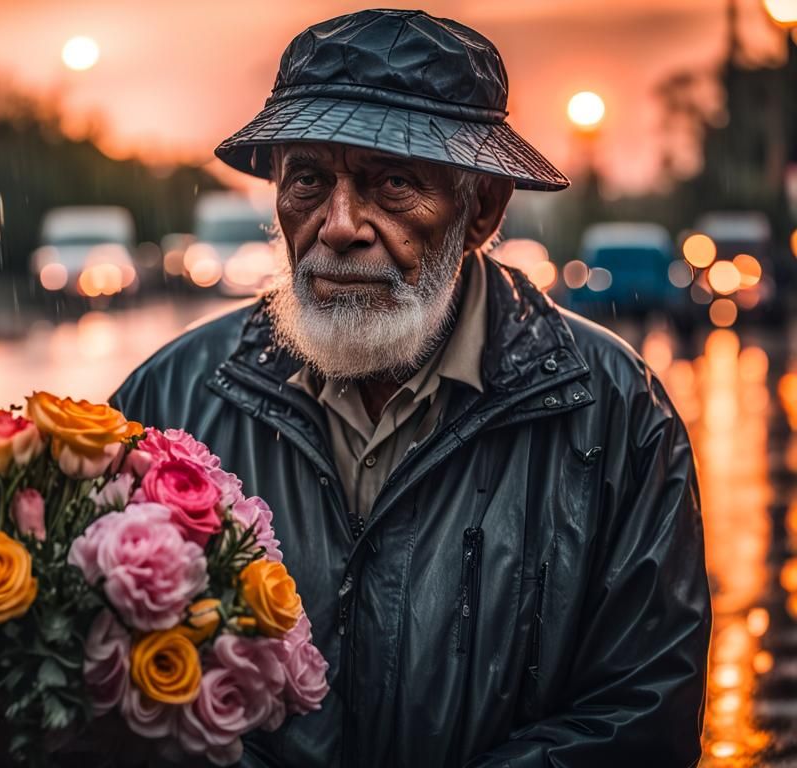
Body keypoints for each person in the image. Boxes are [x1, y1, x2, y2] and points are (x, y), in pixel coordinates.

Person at [112, 9, 709, 767]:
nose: (338, 225)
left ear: (481, 209)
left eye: (392, 182)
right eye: (308, 180)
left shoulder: (615, 413)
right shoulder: (169, 400)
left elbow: (641, 718)